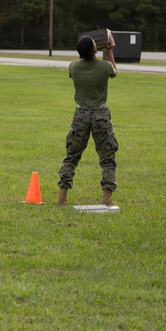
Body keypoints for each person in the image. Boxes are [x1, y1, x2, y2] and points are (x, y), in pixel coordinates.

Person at [57, 34, 118, 207]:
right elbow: (114, 71)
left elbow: (80, 60)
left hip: (80, 114)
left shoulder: (74, 67)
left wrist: (87, 52)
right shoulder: (104, 66)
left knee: (71, 156)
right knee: (107, 158)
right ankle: (106, 200)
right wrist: (109, 50)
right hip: (101, 115)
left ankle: (62, 198)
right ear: (95, 50)